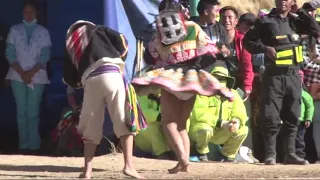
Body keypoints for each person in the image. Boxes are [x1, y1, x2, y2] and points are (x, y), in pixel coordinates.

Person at [131, 0, 234, 174]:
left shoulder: (160, 32)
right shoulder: (193, 27)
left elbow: (150, 56)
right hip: (192, 78)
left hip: (170, 78)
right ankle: (183, 163)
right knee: (181, 126)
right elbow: (210, 49)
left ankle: (183, 160)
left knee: (169, 123)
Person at [64, 20, 146, 179]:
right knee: (124, 121)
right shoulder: (99, 30)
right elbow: (122, 41)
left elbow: (69, 77)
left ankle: (87, 171)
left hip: (91, 80)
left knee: (91, 126)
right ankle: (129, 166)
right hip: (112, 74)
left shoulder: (71, 43)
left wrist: (81, 82)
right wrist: (121, 57)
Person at [243, 0, 320, 165]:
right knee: (270, 115)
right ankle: (271, 154)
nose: (282, 1)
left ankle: (290, 154)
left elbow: (315, 29)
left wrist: (300, 11)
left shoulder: (296, 21)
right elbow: (247, 42)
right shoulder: (265, 21)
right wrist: (265, 48)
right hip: (274, 75)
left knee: (293, 115)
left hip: (293, 75)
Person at [5, 2, 52, 154]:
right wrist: (21, 72)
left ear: (36, 13)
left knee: (33, 111)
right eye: (26, 12)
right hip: (17, 76)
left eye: (31, 11)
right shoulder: (14, 30)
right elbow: (10, 53)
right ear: (22, 13)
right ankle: (23, 145)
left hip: (37, 76)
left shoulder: (43, 31)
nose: (28, 14)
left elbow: (46, 54)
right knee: (21, 112)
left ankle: (34, 145)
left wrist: (31, 72)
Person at [188, 64, 248, 162]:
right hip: (202, 129)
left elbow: (240, 111)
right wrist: (221, 123)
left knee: (243, 130)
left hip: (223, 131)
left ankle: (226, 155)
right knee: (205, 129)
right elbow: (199, 114)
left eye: (222, 78)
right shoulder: (202, 92)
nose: (219, 80)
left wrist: (236, 121)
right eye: (216, 77)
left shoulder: (233, 94)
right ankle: (202, 153)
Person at [219, 6, 254, 99]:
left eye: (230, 17)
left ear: (236, 21)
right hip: (218, 82)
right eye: (223, 17)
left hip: (237, 81)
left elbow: (247, 64)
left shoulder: (242, 40)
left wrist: (247, 86)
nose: (226, 20)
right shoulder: (215, 38)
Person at [134, 94, 174, 159]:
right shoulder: (142, 95)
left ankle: (175, 153)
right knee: (154, 128)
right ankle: (162, 155)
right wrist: (160, 117)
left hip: (162, 130)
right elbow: (143, 112)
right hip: (143, 133)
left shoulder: (168, 97)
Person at [196, 0, 231, 70]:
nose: (218, 15)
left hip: (219, 70)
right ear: (206, 12)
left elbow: (229, 52)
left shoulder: (219, 27)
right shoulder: (194, 28)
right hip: (200, 72)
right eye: (216, 11)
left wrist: (225, 50)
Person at [296, 70, 314, 159]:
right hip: (289, 120)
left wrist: (308, 118)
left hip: (301, 121)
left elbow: (310, 106)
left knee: (299, 139)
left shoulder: (304, 94)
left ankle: (300, 155)